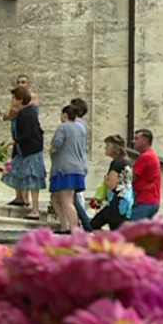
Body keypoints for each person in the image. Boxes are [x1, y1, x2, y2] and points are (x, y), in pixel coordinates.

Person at [0, 86, 46, 219]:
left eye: (14, 98)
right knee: (16, 171)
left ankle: (35, 209)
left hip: (30, 150)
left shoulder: (24, 114)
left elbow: (27, 134)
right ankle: (22, 199)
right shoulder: (29, 112)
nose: (12, 101)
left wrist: (13, 142)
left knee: (32, 178)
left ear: (20, 100)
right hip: (30, 150)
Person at [49, 105, 88, 233]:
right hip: (77, 167)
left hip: (64, 167)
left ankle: (74, 229)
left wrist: (51, 151)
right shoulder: (81, 128)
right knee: (55, 198)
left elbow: (56, 144)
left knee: (67, 200)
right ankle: (64, 227)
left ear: (65, 115)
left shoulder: (63, 127)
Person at [90, 135, 134, 231]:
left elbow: (111, 185)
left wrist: (106, 178)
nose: (105, 148)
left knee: (94, 224)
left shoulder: (116, 163)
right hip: (125, 202)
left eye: (107, 146)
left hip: (116, 203)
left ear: (113, 148)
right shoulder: (126, 162)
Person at [70, 97, 92, 231]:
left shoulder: (75, 125)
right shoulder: (81, 125)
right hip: (80, 162)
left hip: (75, 163)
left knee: (71, 197)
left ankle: (86, 224)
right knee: (74, 196)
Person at [131, 129, 162, 219]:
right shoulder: (151, 155)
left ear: (145, 141)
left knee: (132, 226)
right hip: (152, 200)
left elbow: (131, 177)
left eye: (136, 139)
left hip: (144, 200)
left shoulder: (145, 157)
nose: (133, 141)